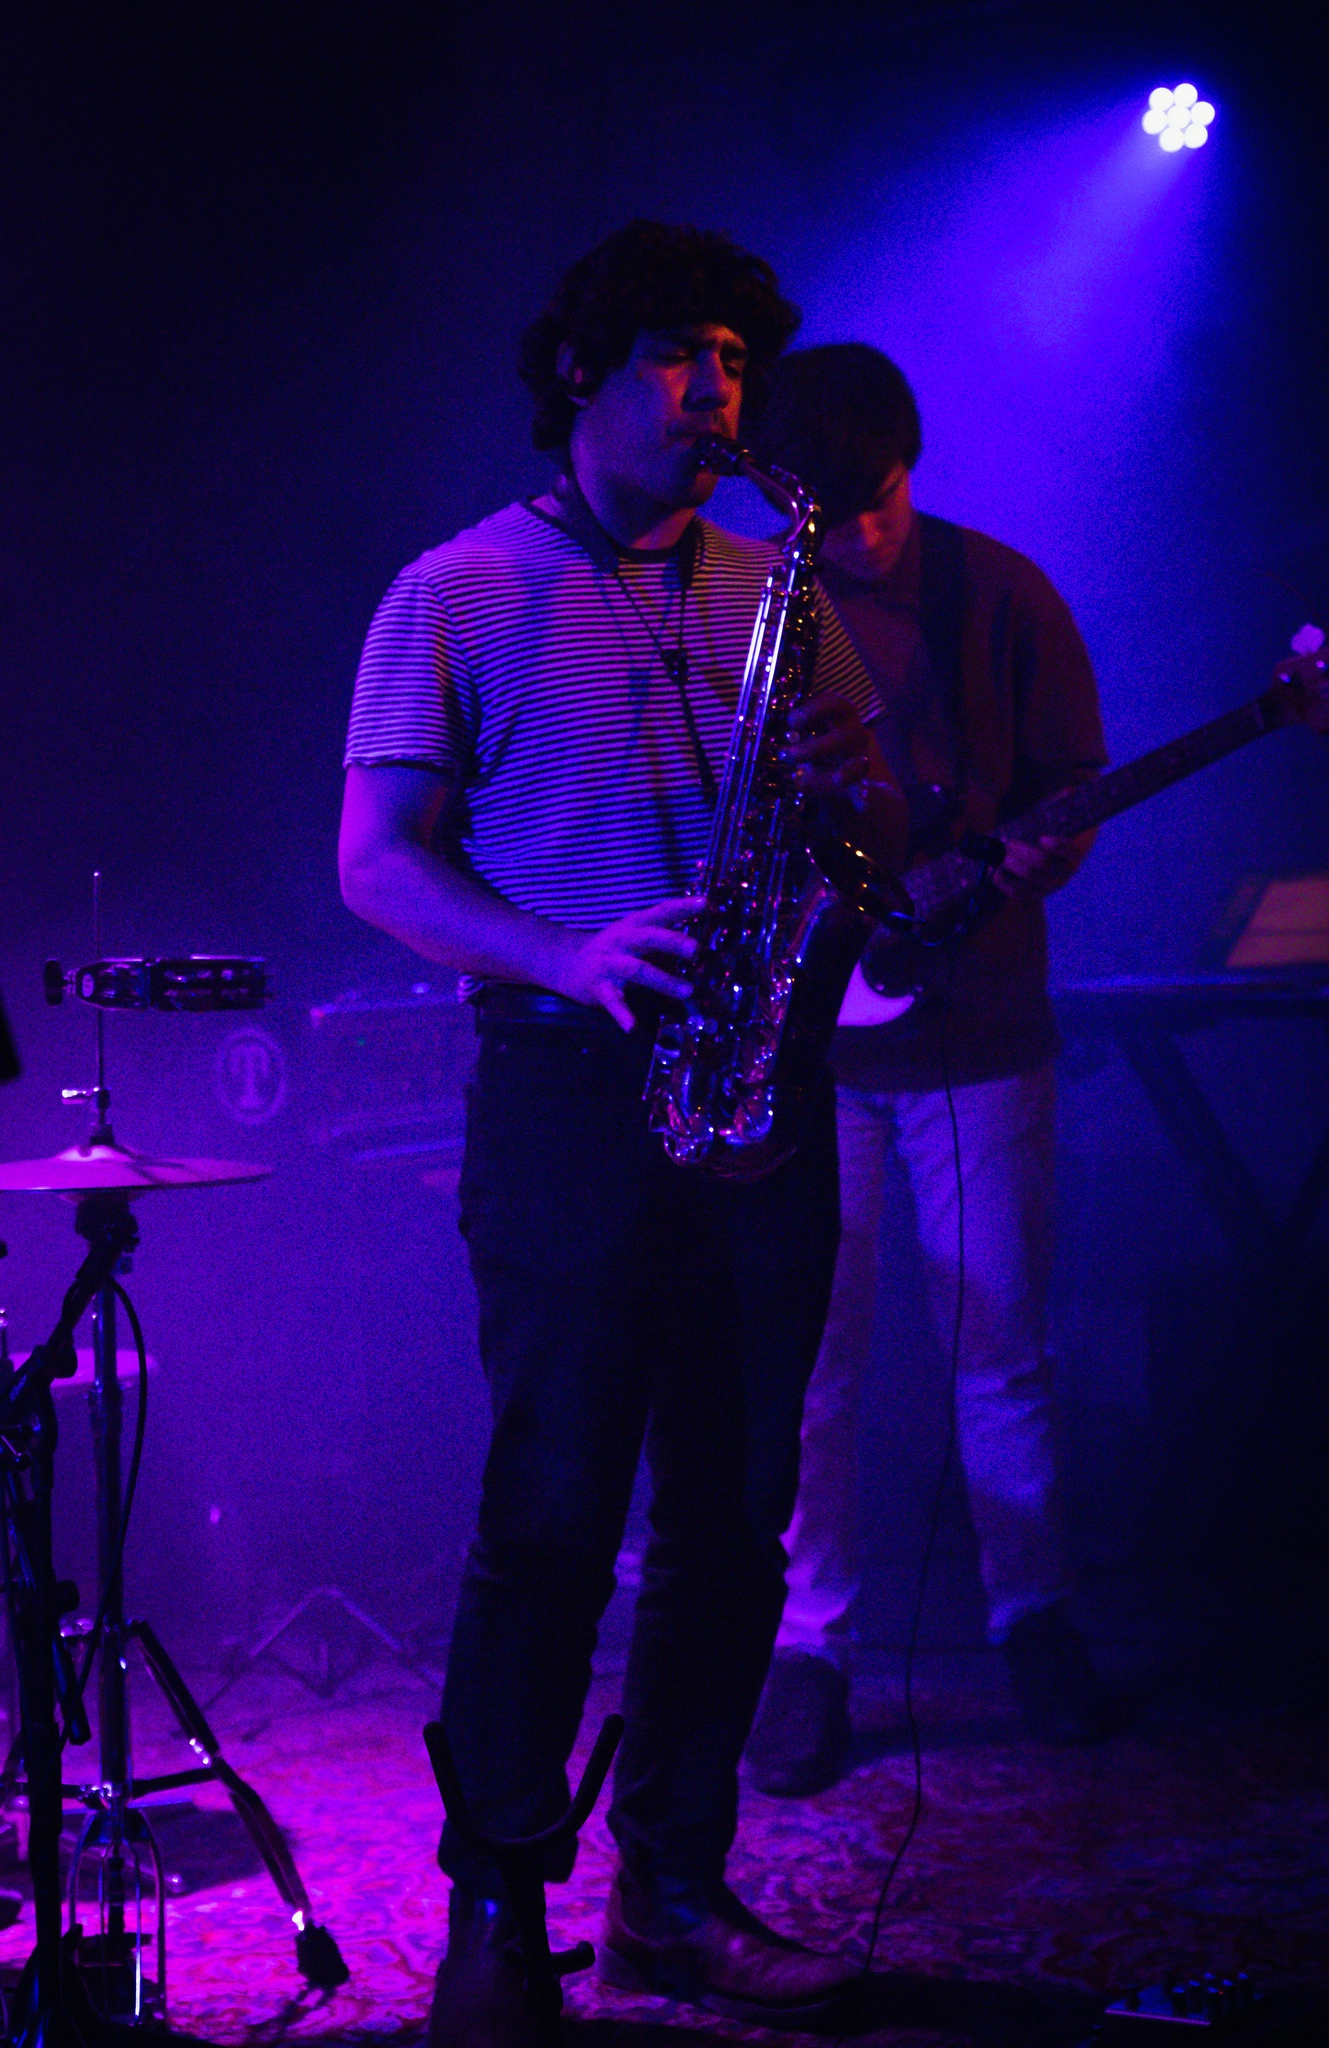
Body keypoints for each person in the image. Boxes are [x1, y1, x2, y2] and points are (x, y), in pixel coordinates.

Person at [338, 228, 908, 2043]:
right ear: (580, 371)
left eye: (734, 358)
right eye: (677, 354)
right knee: (556, 1507)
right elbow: (376, 863)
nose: (715, 391)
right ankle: (499, 1906)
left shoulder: (773, 586)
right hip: (571, 1083)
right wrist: (564, 952)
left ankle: (670, 1892)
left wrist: (852, 810)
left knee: (735, 1524)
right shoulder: (452, 591)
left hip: (758, 1078)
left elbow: (874, 820)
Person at [741, 344, 1117, 1798]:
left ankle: (1034, 1617)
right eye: (826, 515)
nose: (858, 537)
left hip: (974, 1024)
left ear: (914, 462)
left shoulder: (1001, 593)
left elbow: (1072, 785)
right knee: (807, 1360)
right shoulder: (751, 605)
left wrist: (1037, 857)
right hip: (801, 1041)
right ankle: (809, 1645)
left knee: (1000, 1343)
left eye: (879, 503)